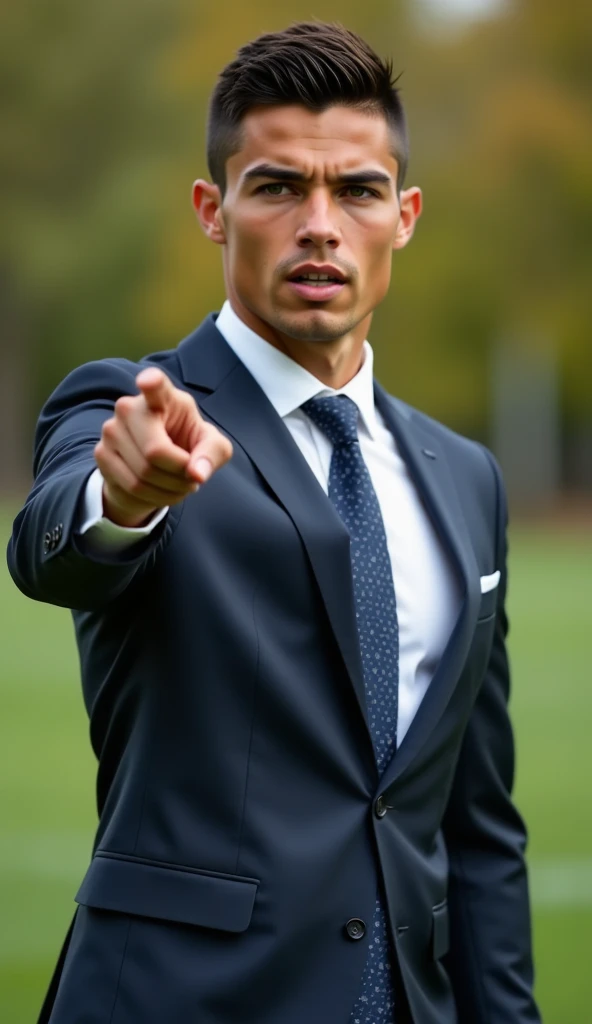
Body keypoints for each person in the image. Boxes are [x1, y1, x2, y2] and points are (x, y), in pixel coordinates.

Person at [8, 21, 541, 1024]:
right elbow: (59, 545)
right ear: (213, 210)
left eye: (357, 190)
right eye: (278, 186)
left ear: (406, 214)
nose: (320, 223)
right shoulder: (130, 409)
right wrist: (121, 502)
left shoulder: (468, 479)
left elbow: (477, 830)